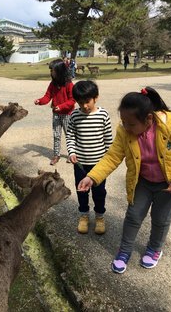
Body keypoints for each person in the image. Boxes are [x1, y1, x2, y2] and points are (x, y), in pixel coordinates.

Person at [78, 86, 171, 273]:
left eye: (131, 124)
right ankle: (124, 251)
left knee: (160, 220)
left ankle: (154, 249)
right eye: (123, 122)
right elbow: (112, 156)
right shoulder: (125, 131)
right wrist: (92, 177)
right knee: (133, 217)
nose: (126, 127)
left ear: (148, 119)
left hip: (167, 185)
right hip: (141, 181)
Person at [66, 81, 113, 235]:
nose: (84, 106)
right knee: (81, 191)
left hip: (99, 165)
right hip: (80, 164)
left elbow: (108, 140)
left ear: (95, 98)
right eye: (80, 102)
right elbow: (71, 136)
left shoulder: (103, 115)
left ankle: (100, 216)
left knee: (99, 192)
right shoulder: (74, 115)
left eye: (87, 101)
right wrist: (72, 152)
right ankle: (84, 215)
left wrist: (108, 161)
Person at [34, 59, 75, 165]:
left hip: (67, 114)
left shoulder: (69, 84)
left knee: (69, 135)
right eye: (51, 70)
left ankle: (72, 155)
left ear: (60, 71)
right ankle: (56, 155)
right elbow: (47, 96)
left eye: (52, 70)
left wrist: (61, 107)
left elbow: (72, 100)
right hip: (56, 114)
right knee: (56, 135)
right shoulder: (52, 84)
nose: (51, 72)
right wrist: (40, 101)